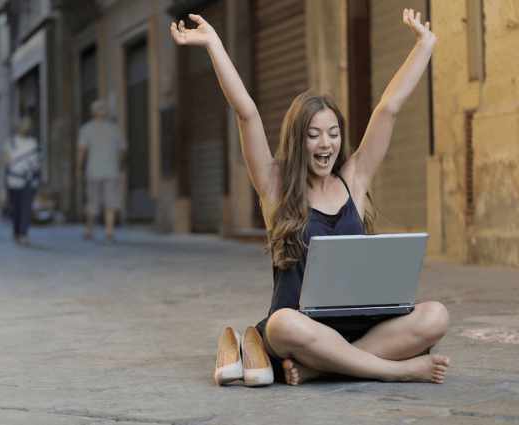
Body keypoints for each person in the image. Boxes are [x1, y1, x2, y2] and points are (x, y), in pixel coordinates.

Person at [171, 9, 451, 386]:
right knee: (283, 324)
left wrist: (425, 45)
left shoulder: (354, 180)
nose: (326, 144)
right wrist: (213, 44)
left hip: (359, 326)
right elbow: (247, 112)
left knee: (436, 316)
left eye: (333, 133)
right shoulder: (276, 188)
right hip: (302, 329)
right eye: (314, 134)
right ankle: (394, 369)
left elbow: (388, 107)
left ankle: (322, 367)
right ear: (297, 140)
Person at [76, 100, 128, 245]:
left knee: (92, 202)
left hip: (93, 171)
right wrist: (121, 164)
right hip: (111, 171)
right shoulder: (115, 128)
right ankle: (109, 233)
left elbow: (81, 151)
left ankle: (89, 231)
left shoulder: (86, 129)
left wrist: (79, 169)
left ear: (92, 113)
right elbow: (123, 150)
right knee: (110, 203)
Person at [1, 116, 40, 246]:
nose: (26, 127)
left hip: (29, 180)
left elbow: (38, 161)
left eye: (28, 125)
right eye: (24, 125)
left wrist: (37, 168)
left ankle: (23, 234)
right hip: (13, 180)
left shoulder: (34, 143)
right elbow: (4, 162)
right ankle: (16, 231)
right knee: (16, 209)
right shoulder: (11, 142)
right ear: (19, 127)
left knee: (26, 208)